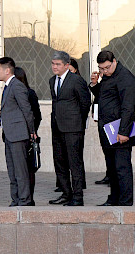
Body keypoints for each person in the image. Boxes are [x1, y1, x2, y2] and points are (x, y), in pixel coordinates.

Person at [90, 50, 135, 206]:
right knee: (111, 167)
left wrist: (123, 132)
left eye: (106, 67)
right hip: (107, 129)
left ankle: (125, 202)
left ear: (114, 61)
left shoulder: (126, 78)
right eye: (101, 68)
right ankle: (114, 198)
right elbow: (105, 96)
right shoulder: (107, 76)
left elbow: (128, 107)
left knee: (122, 167)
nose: (104, 71)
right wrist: (95, 84)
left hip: (119, 130)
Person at [48, 51, 91, 206]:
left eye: (58, 64)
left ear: (67, 65)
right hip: (57, 127)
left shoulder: (76, 80)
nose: (55, 67)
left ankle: (78, 197)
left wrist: (78, 122)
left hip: (73, 128)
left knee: (74, 163)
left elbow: (85, 103)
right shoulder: (52, 80)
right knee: (59, 162)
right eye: (53, 64)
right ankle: (66, 194)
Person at [0, 57, 36, 207]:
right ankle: (16, 199)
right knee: (12, 170)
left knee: (20, 170)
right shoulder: (8, 86)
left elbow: (27, 110)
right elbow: (14, 108)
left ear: (7, 70)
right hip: (10, 135)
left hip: (18, 135)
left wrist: (31, 131)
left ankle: (24, 200)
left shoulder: (17, 86)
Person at [14, 67, 41, 200]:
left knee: (28, 169)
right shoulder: (8, 91)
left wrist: (32, 131)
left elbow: (36, 115)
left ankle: (28, 197)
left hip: (27, 136)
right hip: (12, 136)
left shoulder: (29, 93)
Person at [69, 58, 89, 190]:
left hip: (76, 124)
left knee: (76, 156)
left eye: (70, 70)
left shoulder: (78, 82)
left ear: (75, 70)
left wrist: (79, 120)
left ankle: (79, 184)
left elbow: (85, 103)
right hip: (66, 125)